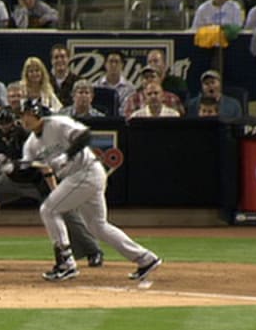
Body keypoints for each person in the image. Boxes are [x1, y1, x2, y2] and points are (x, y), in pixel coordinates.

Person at [18, 100, 162, 281]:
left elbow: (85, 135)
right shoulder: (31, 145)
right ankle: (145, 258)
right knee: (98, 226)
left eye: (27, 114)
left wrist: (67, 155)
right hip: (80, 178)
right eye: (22, 115)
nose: (24, 119)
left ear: (38, 113)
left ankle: (66, 263)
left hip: (85, 172)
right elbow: (27, 173)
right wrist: (13, 169)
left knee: (49, 210)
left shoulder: (56, 123)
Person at [0, 106, 104, 266]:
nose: (5, 127)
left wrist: (54, 189)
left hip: (37, 180)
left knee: (64, 209)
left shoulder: (27, 136)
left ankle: (93, 251)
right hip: (10, 180)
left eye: (8, 123)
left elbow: (44, 165)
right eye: (1, 123)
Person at [94, 51, 134, 115]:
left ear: (122, 65)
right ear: (105, 64)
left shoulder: (130, 88)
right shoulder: (96, 86)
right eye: (111, 61)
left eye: (117, 62)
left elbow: (128, 110)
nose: (113, 65)